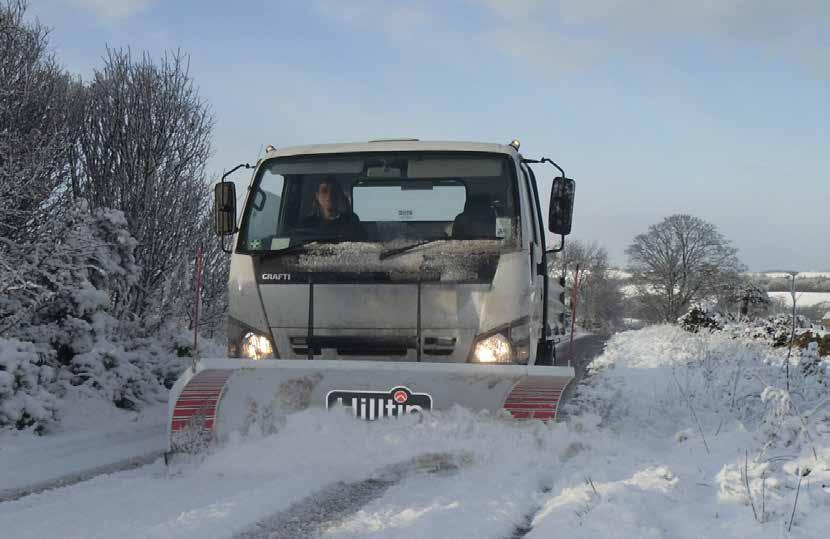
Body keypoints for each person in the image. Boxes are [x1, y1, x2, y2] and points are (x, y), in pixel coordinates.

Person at [301, 178, 367, 239]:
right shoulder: (308, 224)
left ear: (340, 195)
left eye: (334, 191)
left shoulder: (352, 220)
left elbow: (363, 243)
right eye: (324, 191)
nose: (329, 196)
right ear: (317, 196)